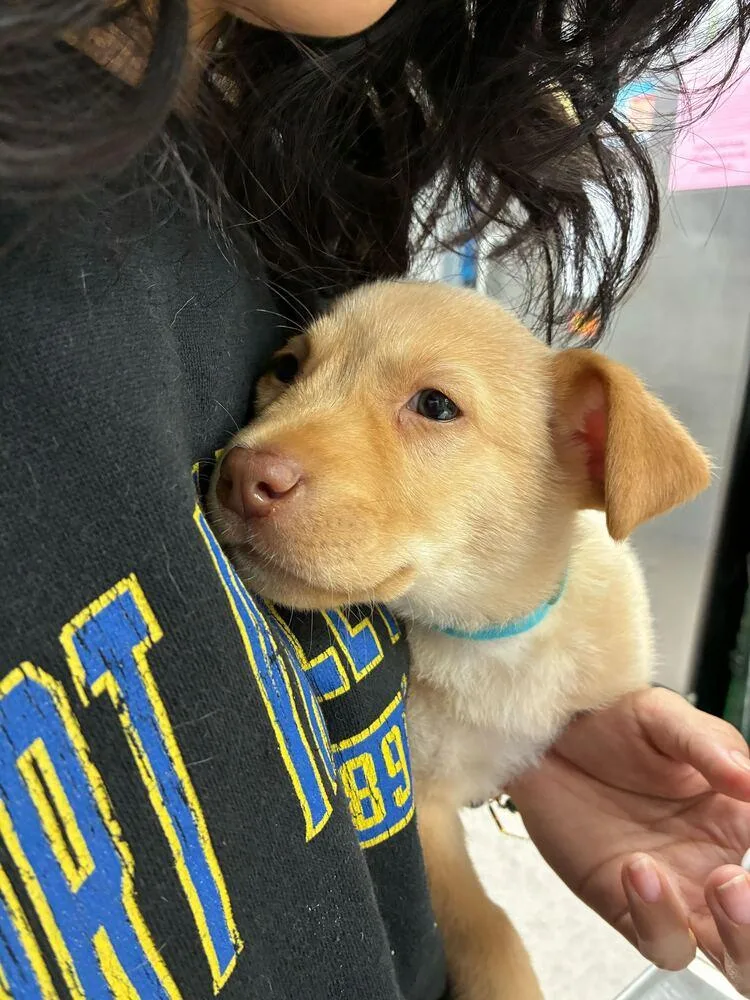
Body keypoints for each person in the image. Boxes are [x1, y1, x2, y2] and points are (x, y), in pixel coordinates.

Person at [2, 1, 750, 997]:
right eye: (287, 373)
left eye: (431, 405)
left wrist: (522, 748)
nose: (258, 454)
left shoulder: (267, 211)